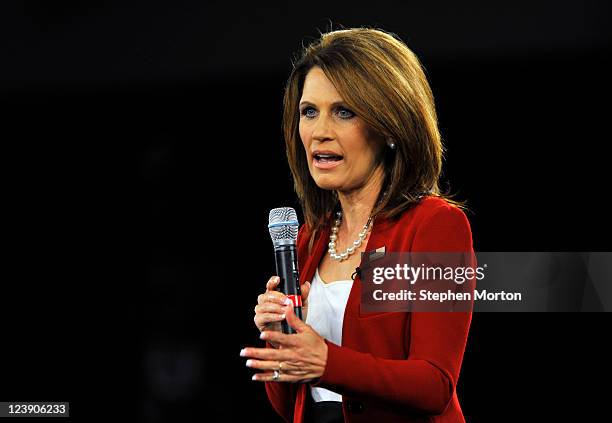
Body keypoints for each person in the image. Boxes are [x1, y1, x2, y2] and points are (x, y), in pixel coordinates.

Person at [240, 27, 474, 423]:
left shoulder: (432, 226)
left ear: (389, 126)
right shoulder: (308, 237)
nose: (319, 131)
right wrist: (283, 346)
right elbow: (293, 405)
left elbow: (434, 385)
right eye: (309, 111)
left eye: (344, 112)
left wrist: (326, 361)